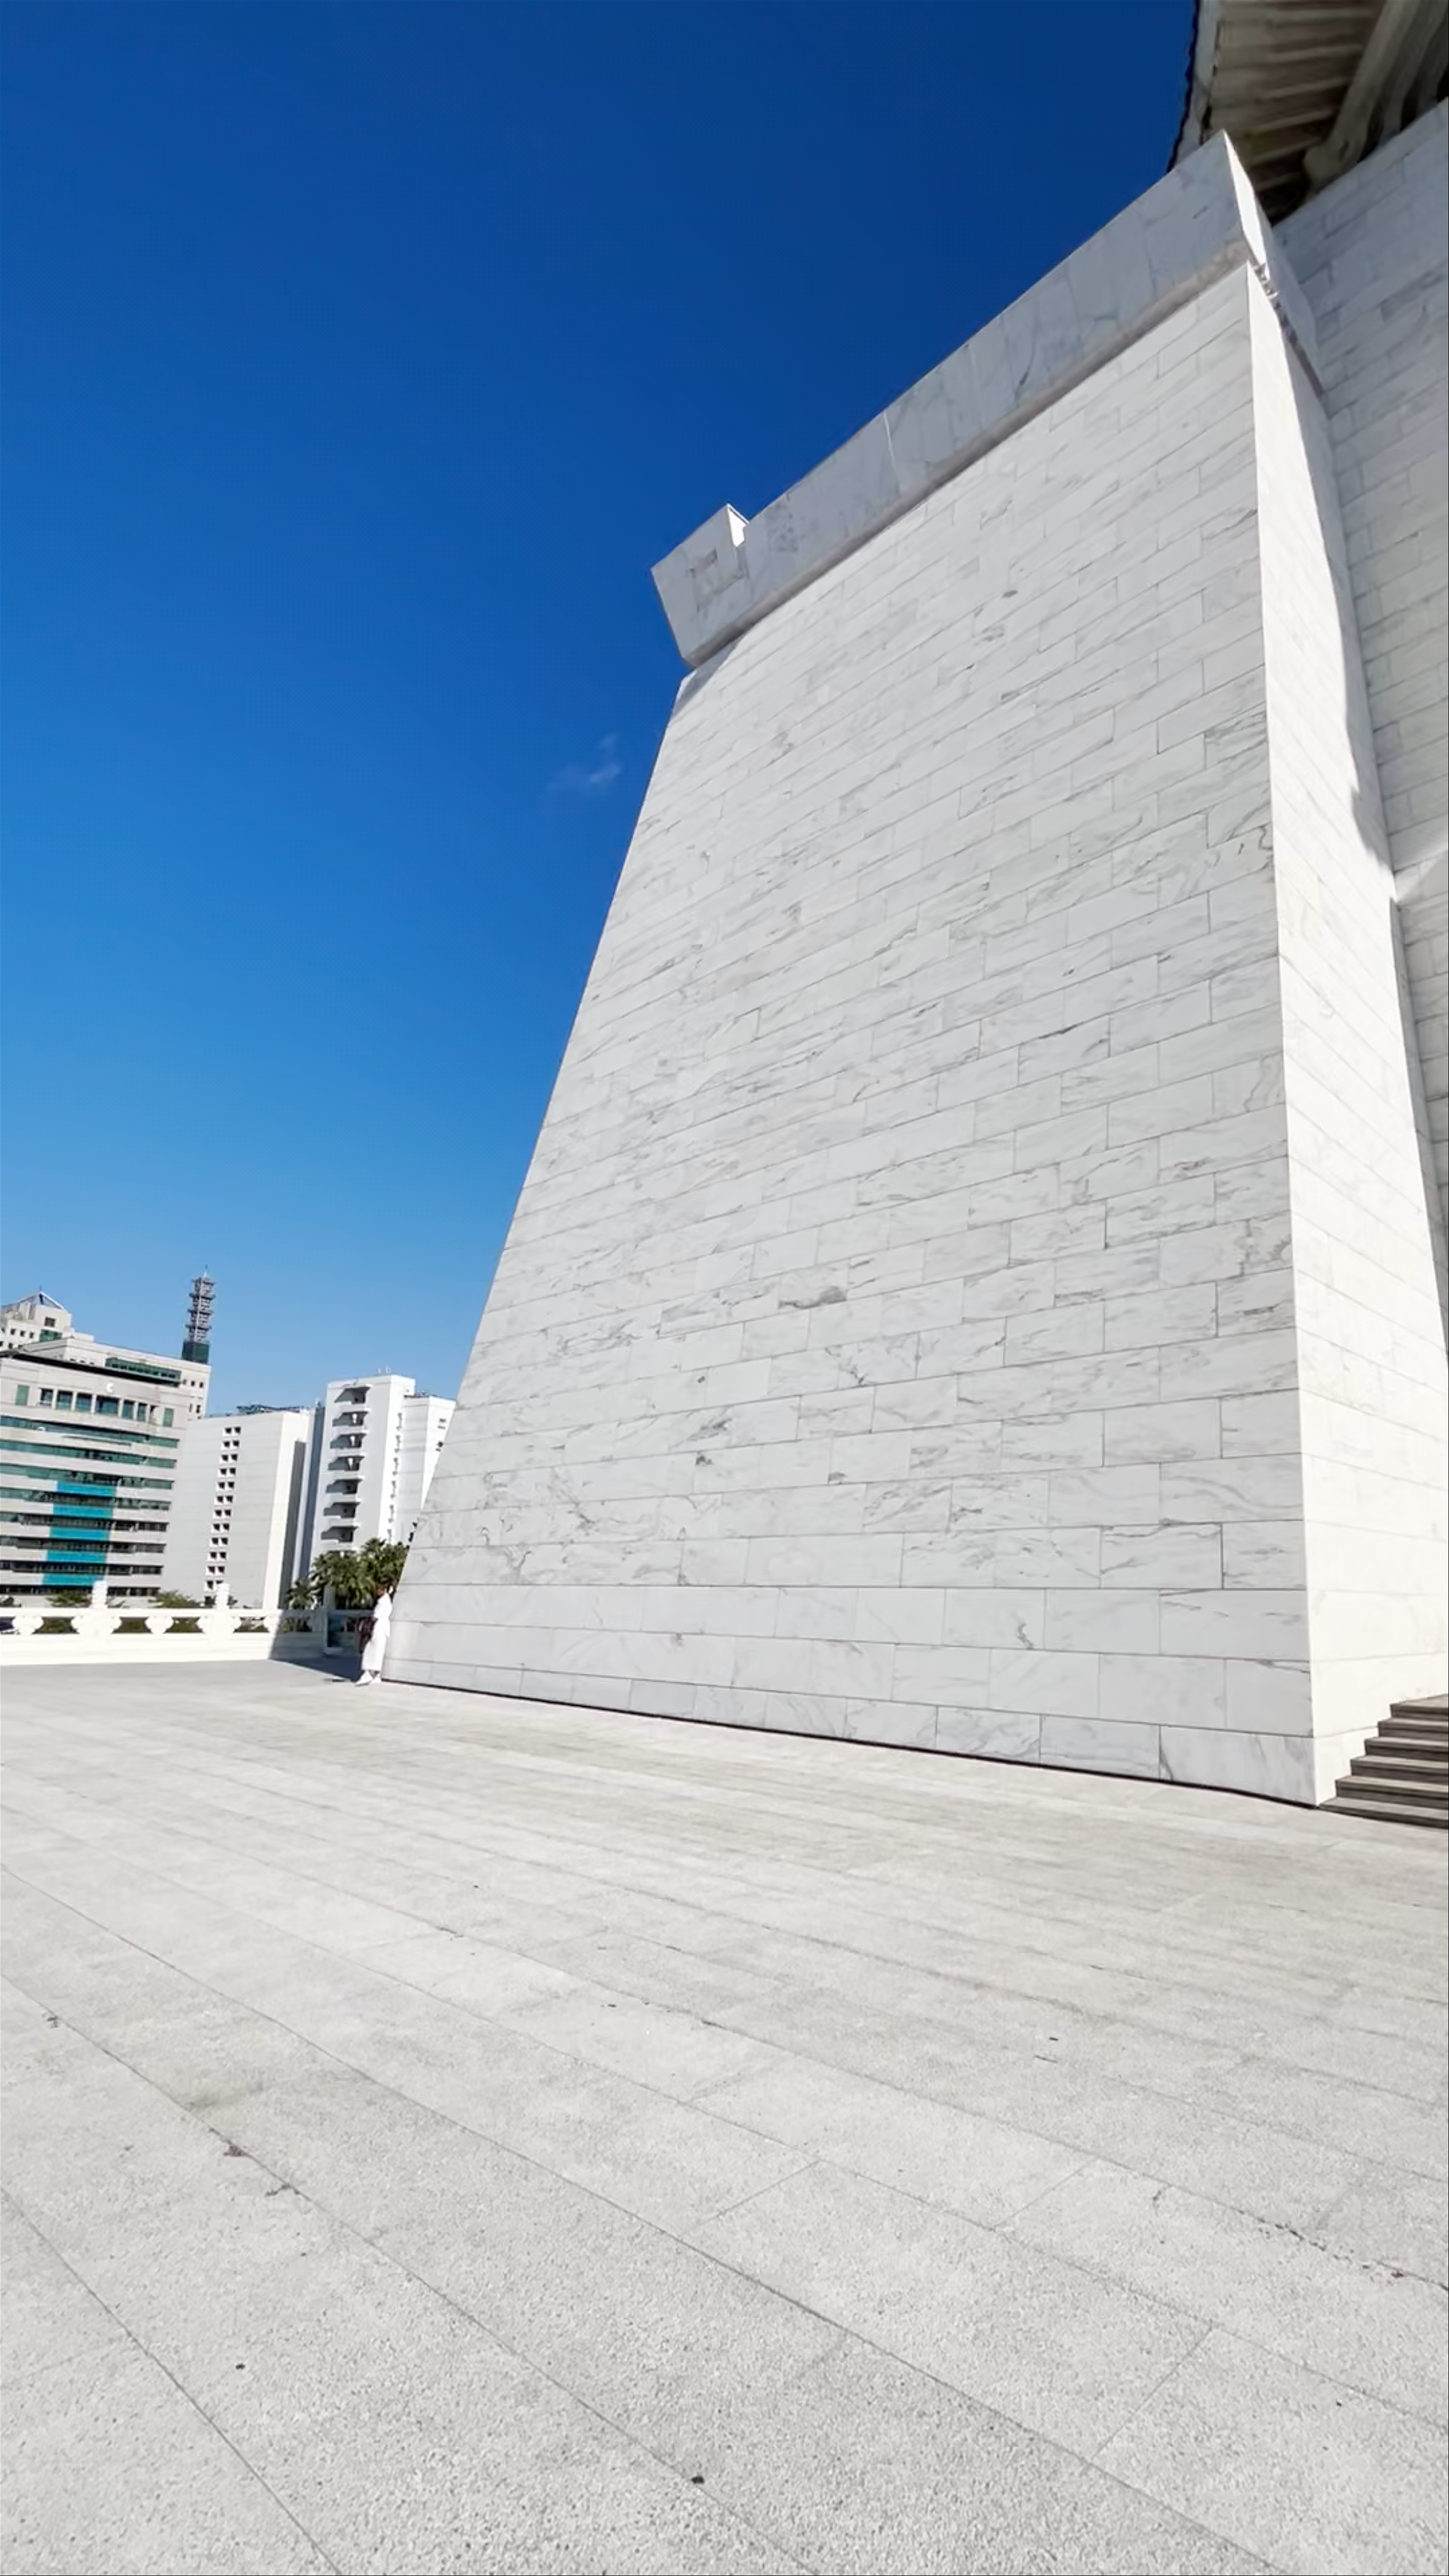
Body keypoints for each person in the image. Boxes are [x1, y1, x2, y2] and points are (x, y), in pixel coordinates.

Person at [357, 1586, 393, 1686]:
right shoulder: (386, 1601)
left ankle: (369, 1673)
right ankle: (376, 1675)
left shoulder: (383, 1602)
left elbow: (376, 1617)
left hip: (379, 1628)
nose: (378, 1591)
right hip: (383, 1628)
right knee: (378, 1651)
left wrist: (367, 1625)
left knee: (372, 1650)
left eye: (380, 1589)